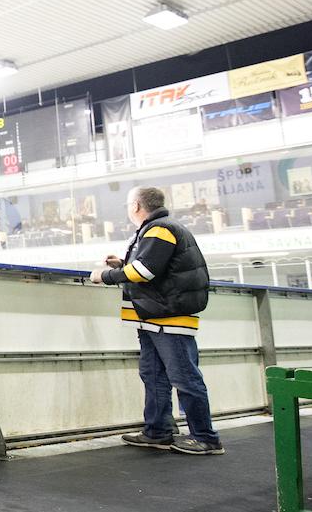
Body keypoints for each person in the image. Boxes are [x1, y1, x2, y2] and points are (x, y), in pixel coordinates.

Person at [89, 186, 222, 456]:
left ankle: (206, 438)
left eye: (128, 204)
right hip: (153, 318)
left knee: (184, 377)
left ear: (137, 206)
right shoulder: (159, 229)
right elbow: (154, 266)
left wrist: (104, 276)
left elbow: (146, 270)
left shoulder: (160, 229)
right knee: (154, 376)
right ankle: (157, 431)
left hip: (167, 317)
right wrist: (123, 263)